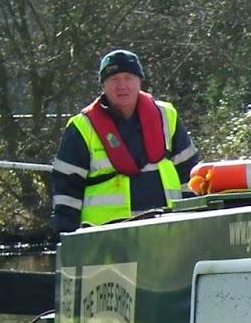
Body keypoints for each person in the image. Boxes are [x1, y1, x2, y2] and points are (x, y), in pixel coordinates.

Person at [51, 49, 199, 235]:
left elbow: (190, 174)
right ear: (103, 85)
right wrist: (67, 237)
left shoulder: (167, 116)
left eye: (128, 78)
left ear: (139, 82)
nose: (122, 86)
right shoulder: (82, 127)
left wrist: (192, 220)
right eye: (114, 79)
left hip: (167, 230)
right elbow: (66, 189)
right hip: (107, 236)